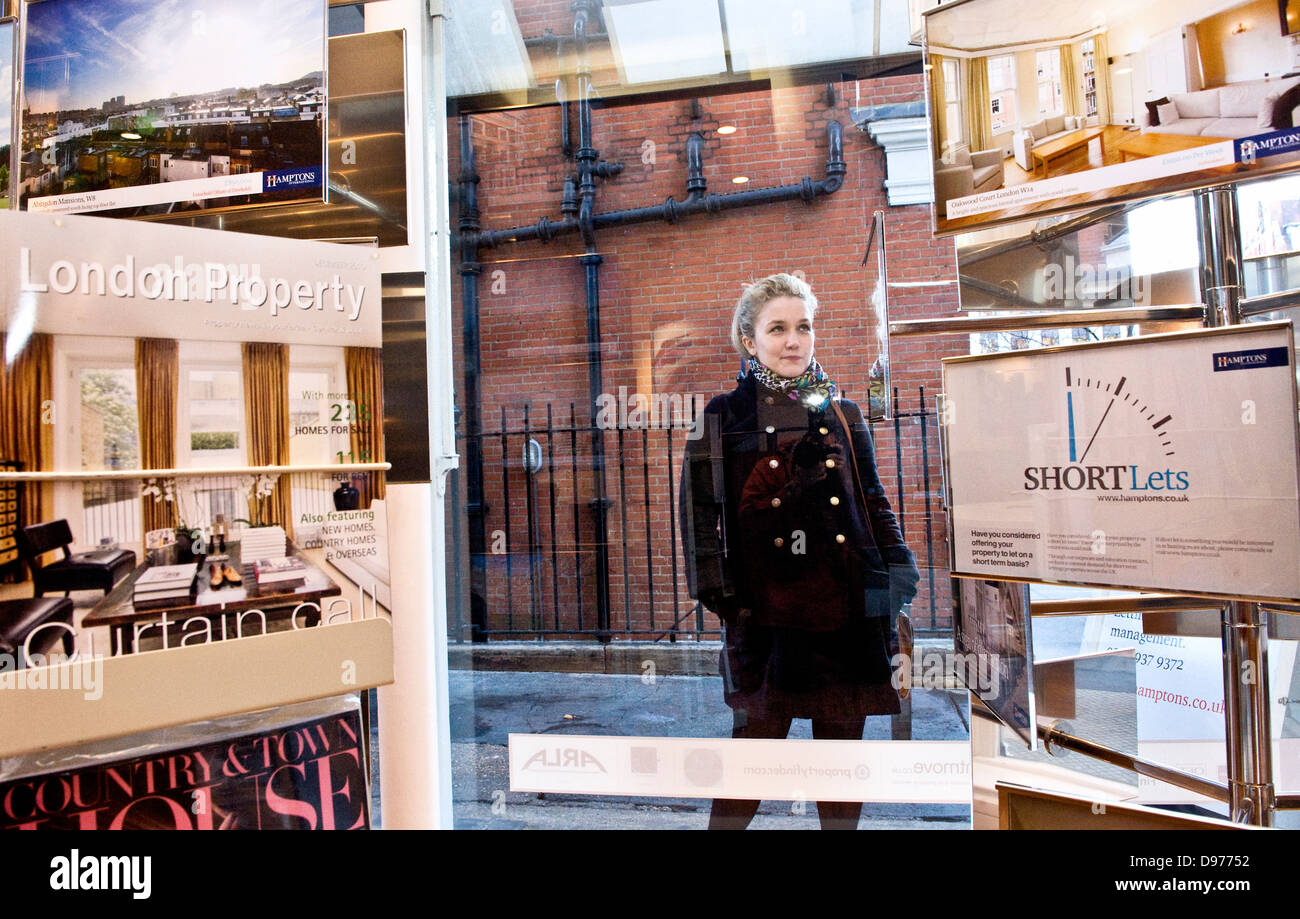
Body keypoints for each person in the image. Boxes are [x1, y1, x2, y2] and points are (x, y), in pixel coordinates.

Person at [680, 272, 920, 830]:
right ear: (750, 339)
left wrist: (897, 569)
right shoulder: (722, 415)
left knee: (840, 768)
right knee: (752, 762)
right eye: (778, 328)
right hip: (770, 619)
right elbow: (697, 517)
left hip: (849, 611)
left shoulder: (841, 412)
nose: (794, 340)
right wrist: (724, 598)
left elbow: (872, 498)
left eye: (804, 327)